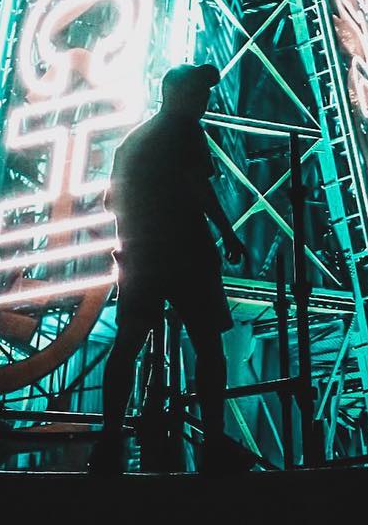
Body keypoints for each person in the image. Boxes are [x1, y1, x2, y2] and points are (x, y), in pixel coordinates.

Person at [89, 62, 248, 474]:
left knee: (127, 344)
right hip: (187, 256)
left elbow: (110, 203)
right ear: (176, 94)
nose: (206, 99)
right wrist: (228, 234)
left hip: (141, 258)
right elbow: (200, 188)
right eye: (199, 91)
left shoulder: (133, 141)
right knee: (209, 347)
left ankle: (109, 441)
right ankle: (213, 444)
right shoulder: (186, 131)